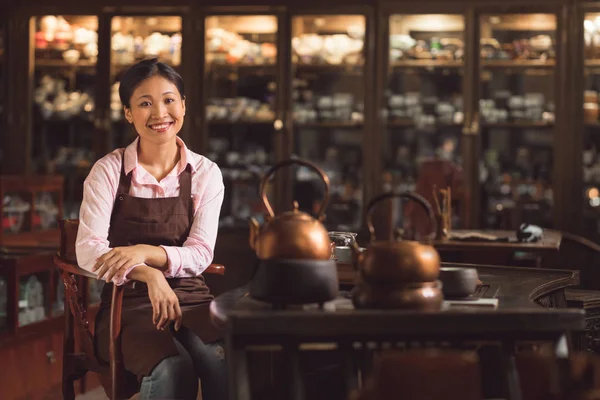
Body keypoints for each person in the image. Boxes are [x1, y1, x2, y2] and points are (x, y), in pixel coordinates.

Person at [75, 58, 226, 400]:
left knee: (223, 359)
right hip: (125, 304)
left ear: (184, 105)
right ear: (128, 113)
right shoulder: (108, 172)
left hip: (192, 297)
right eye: (145, 103)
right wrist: (149, 275)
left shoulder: (205, 173)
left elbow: (201, 252)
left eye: (169, 100)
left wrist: (144, 252)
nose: (160, 113)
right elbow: (88, 251)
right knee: (173, 368)